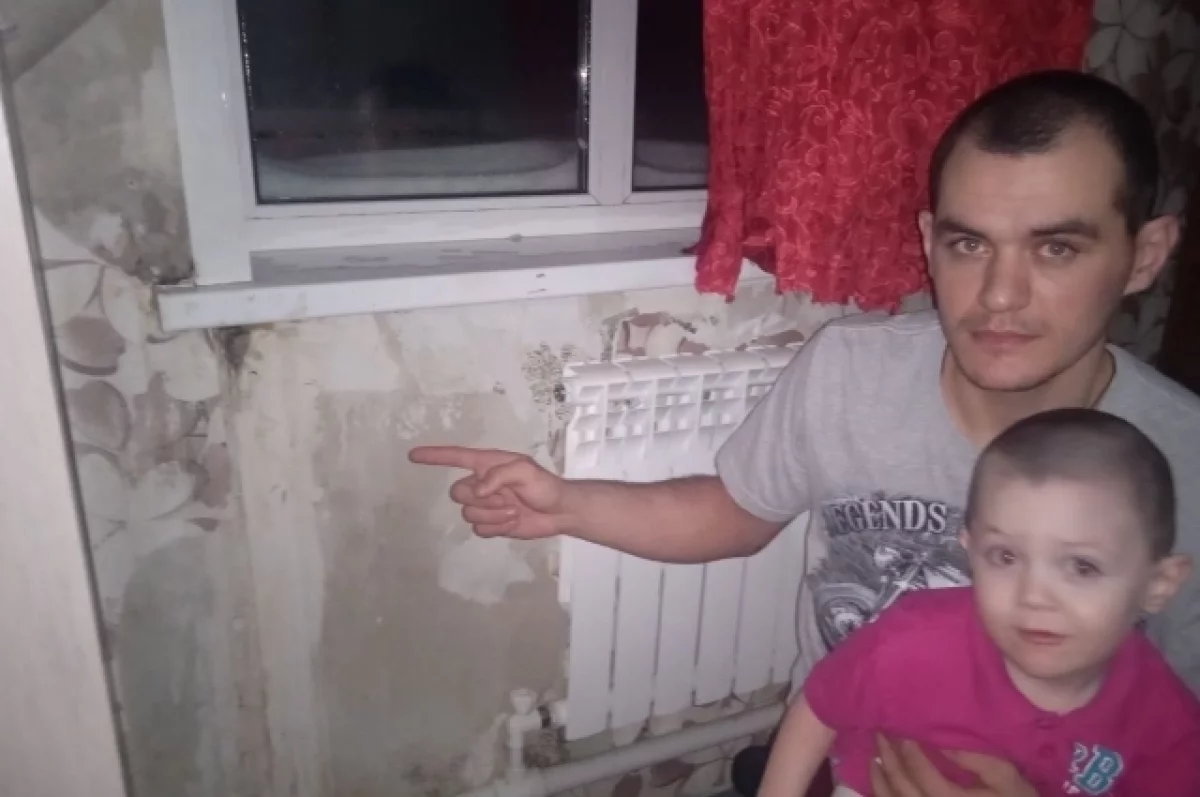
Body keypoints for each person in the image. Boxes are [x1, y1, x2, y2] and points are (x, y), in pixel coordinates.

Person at [409, 70, 1200, 797]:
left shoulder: (1187, 459)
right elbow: (734, 512)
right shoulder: (849, 369)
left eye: (1056, 248)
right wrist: (566, 503)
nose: (998, 294)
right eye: (969, 244)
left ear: (1145, 255)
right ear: (929, 240)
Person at [760, 408, 1200, 797]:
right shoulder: (911, 639)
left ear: (1158, 584)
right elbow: (820, 706)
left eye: (1082, 567)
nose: (1033, 596)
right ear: (970, 552)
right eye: (1005, 557)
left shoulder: (1169, 724)